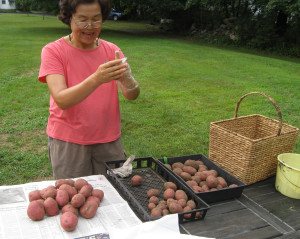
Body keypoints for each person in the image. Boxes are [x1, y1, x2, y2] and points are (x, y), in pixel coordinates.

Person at [38, 0, 140, 179]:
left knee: (115, 193)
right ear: (69, 18)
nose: (90, 26)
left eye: (96, 19)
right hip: (69, 142)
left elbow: (132, 95)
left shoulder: (112, 50)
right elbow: (62, 99)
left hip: (109, 140)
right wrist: (97, 78)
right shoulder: (53, 51)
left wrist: (128, 79)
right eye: (82, 19)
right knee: (74, 198)